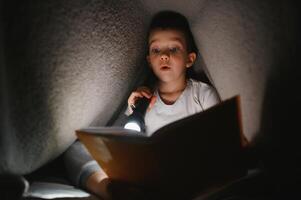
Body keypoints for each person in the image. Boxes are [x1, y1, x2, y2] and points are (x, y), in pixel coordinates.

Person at [64, 10, 221, 200]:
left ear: (189, 59)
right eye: (156, 50)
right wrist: (132, 109)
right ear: (149, 59)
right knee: (76, 150)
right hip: (148, 178)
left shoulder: (202, 95)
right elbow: (121, 142)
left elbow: (219, 140)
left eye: (173, 49)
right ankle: (109, 189)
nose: (164, 56)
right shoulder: (143, 99)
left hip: (189, 174)